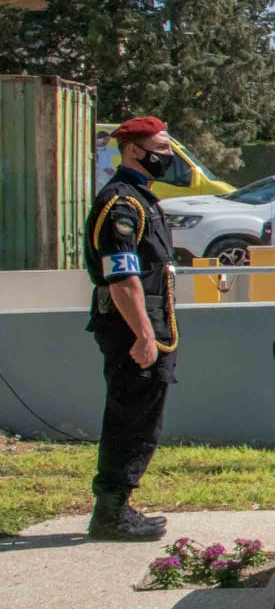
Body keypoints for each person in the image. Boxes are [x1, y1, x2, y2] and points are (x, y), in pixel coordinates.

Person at [82, 115, 181, 541]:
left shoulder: (143, 199)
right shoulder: (121, 204)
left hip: (150, 325)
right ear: (133, 151)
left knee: (142, 415)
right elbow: (122, 278)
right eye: (161, 151)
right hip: (132, 329)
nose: (168, 158)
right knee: (130, 416)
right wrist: (143, 335)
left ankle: (118, 506)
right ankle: (111, 512)